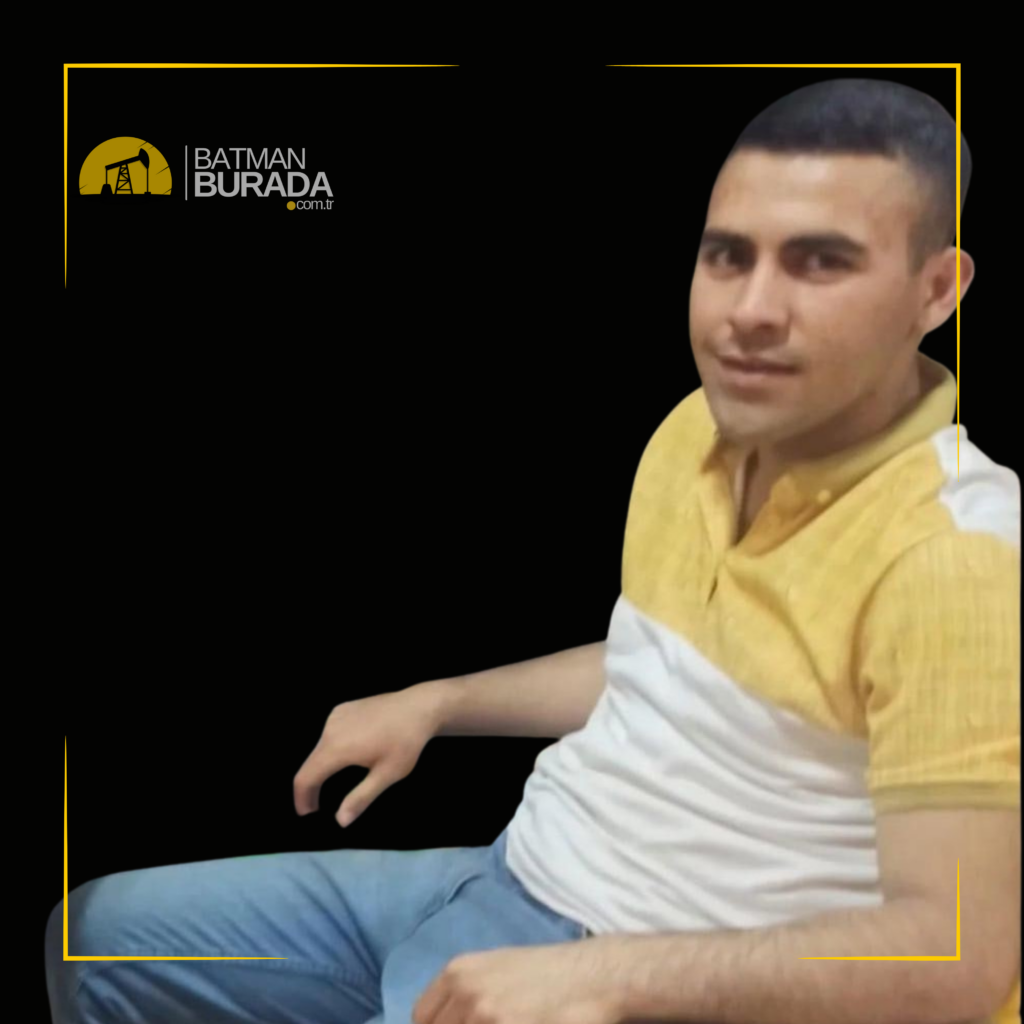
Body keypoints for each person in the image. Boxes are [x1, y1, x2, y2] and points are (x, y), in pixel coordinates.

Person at [45, 78, 1020, 1024]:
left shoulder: (956, 558)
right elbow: (663, 667)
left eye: (819, 263)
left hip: (643, 973)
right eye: (728, 256)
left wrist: (601, 978)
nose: (750, 310)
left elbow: (957, 956)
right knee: (91, 941)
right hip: (509, 873)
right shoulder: (701, 428)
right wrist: (443, 701)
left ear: (935, 290)